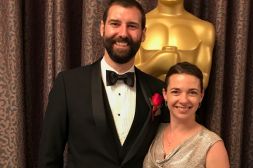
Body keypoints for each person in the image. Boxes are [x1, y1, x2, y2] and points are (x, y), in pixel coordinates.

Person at [38, 0, 165, 167]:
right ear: (102, 28)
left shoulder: (157, 89)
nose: (123, 33)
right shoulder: (68, 85)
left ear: (143, 34)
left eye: (132, 26)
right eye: (115, 24)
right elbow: (48, 158)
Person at [143, 62, 230, 168]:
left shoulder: (212, 146)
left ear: (201, 96)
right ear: (165, 94)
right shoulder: (155, 131)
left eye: (192, 92)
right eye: (176, 91)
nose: (184, 100)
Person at [135, 0, 215, 89]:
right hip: (141, 100)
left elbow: (203, 79)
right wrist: (155, 65)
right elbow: (126, 74)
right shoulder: (136, 26)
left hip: (184, 102)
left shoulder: (204, 29)